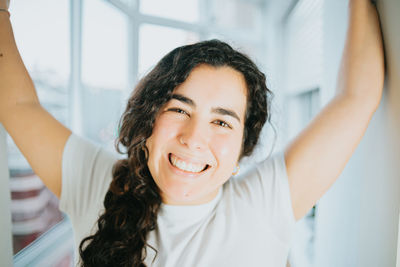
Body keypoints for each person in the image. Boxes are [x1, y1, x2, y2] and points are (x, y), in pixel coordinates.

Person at [0, 0, 384, 266]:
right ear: (149, 123)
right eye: (179, 109)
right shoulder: (99, 180)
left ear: (240, 154)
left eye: (221, 121)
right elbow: (18, 106)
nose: (193, 137)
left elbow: (355, 97)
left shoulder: (263, 203)